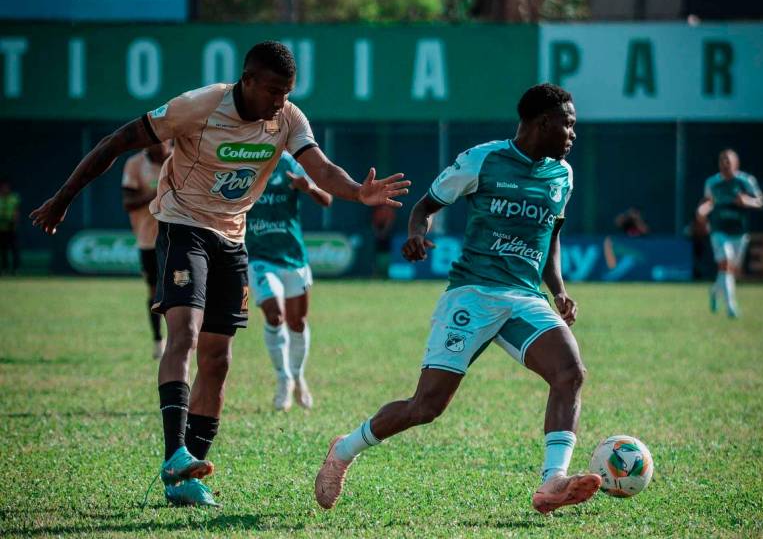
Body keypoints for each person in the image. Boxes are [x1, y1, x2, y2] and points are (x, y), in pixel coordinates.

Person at [30, 41, 410, 507]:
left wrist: (357, 191)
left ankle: (189, 476)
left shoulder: (289, 117)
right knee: (184, 335)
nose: (278, 101)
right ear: (247, 80)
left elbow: (320, 168)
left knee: (218, 359)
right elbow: (117, 141)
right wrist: (64, 197)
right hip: (184, 225)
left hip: (232, 239)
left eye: (286, 92)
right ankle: (175, 452)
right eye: (272, 90)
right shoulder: (200, 106)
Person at [315, 83, 602, 515]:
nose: (573, 134)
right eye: (568, 124)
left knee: (570, 373)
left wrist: (558, 290)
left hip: (524, 297)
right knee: (426, 406)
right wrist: (415, 236)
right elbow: (424, 208)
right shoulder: (482, 159)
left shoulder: (563, 175)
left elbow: (552, 238)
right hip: (473, 292)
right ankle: (344, 449)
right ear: (543, 122)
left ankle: (552, 482)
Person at [245, 150, 332, 411]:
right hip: (259, 256)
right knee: (274, 315)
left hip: (293, 257)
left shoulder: (290, 162)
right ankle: (283, 379)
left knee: (297, 322)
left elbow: (326, 199)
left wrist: (308, 188)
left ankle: (298, 376)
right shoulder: (240, 159)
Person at [696, 149, 763, 317]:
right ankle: (731, 307)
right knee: (725, 264)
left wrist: (746, 201)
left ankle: (714, 291)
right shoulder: (712, 182)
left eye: (728, 160)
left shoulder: (745, 180)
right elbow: (708, 202)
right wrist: (702, 212)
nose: (725, 164)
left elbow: (760, 201)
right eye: (722, 160)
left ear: (736, 163)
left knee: (730, 270)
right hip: (719, 229)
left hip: (739, 231)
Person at [122, 141, 173, 359]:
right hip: (148, 239)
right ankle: (158, 340)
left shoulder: (181, 156)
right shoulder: (135, 164)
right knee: (154, 292)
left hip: (177, 239)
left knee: (181, 290)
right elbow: (128, 202)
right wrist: (156, 193)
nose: (162, 144)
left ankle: (179, 342)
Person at [0, 180, 21, 275]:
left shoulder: (14, 198)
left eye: (7, 187)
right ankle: (4, 269)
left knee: (14, 249)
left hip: (11, 228)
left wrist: (14, 222)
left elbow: (17, 211)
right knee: (3, 250)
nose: (5, 189)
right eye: (3, 187)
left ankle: (15, 269)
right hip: (1, 229)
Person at [371, 204, 397, 278]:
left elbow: (390, 222)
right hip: (377, 237)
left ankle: (387, 273)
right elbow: (374, 223)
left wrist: (383, 232)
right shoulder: (377, 210)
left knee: (388, 254)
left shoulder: (389, 210)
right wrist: (377, 233)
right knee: (375, 255)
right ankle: (376, 273)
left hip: (388, 236)